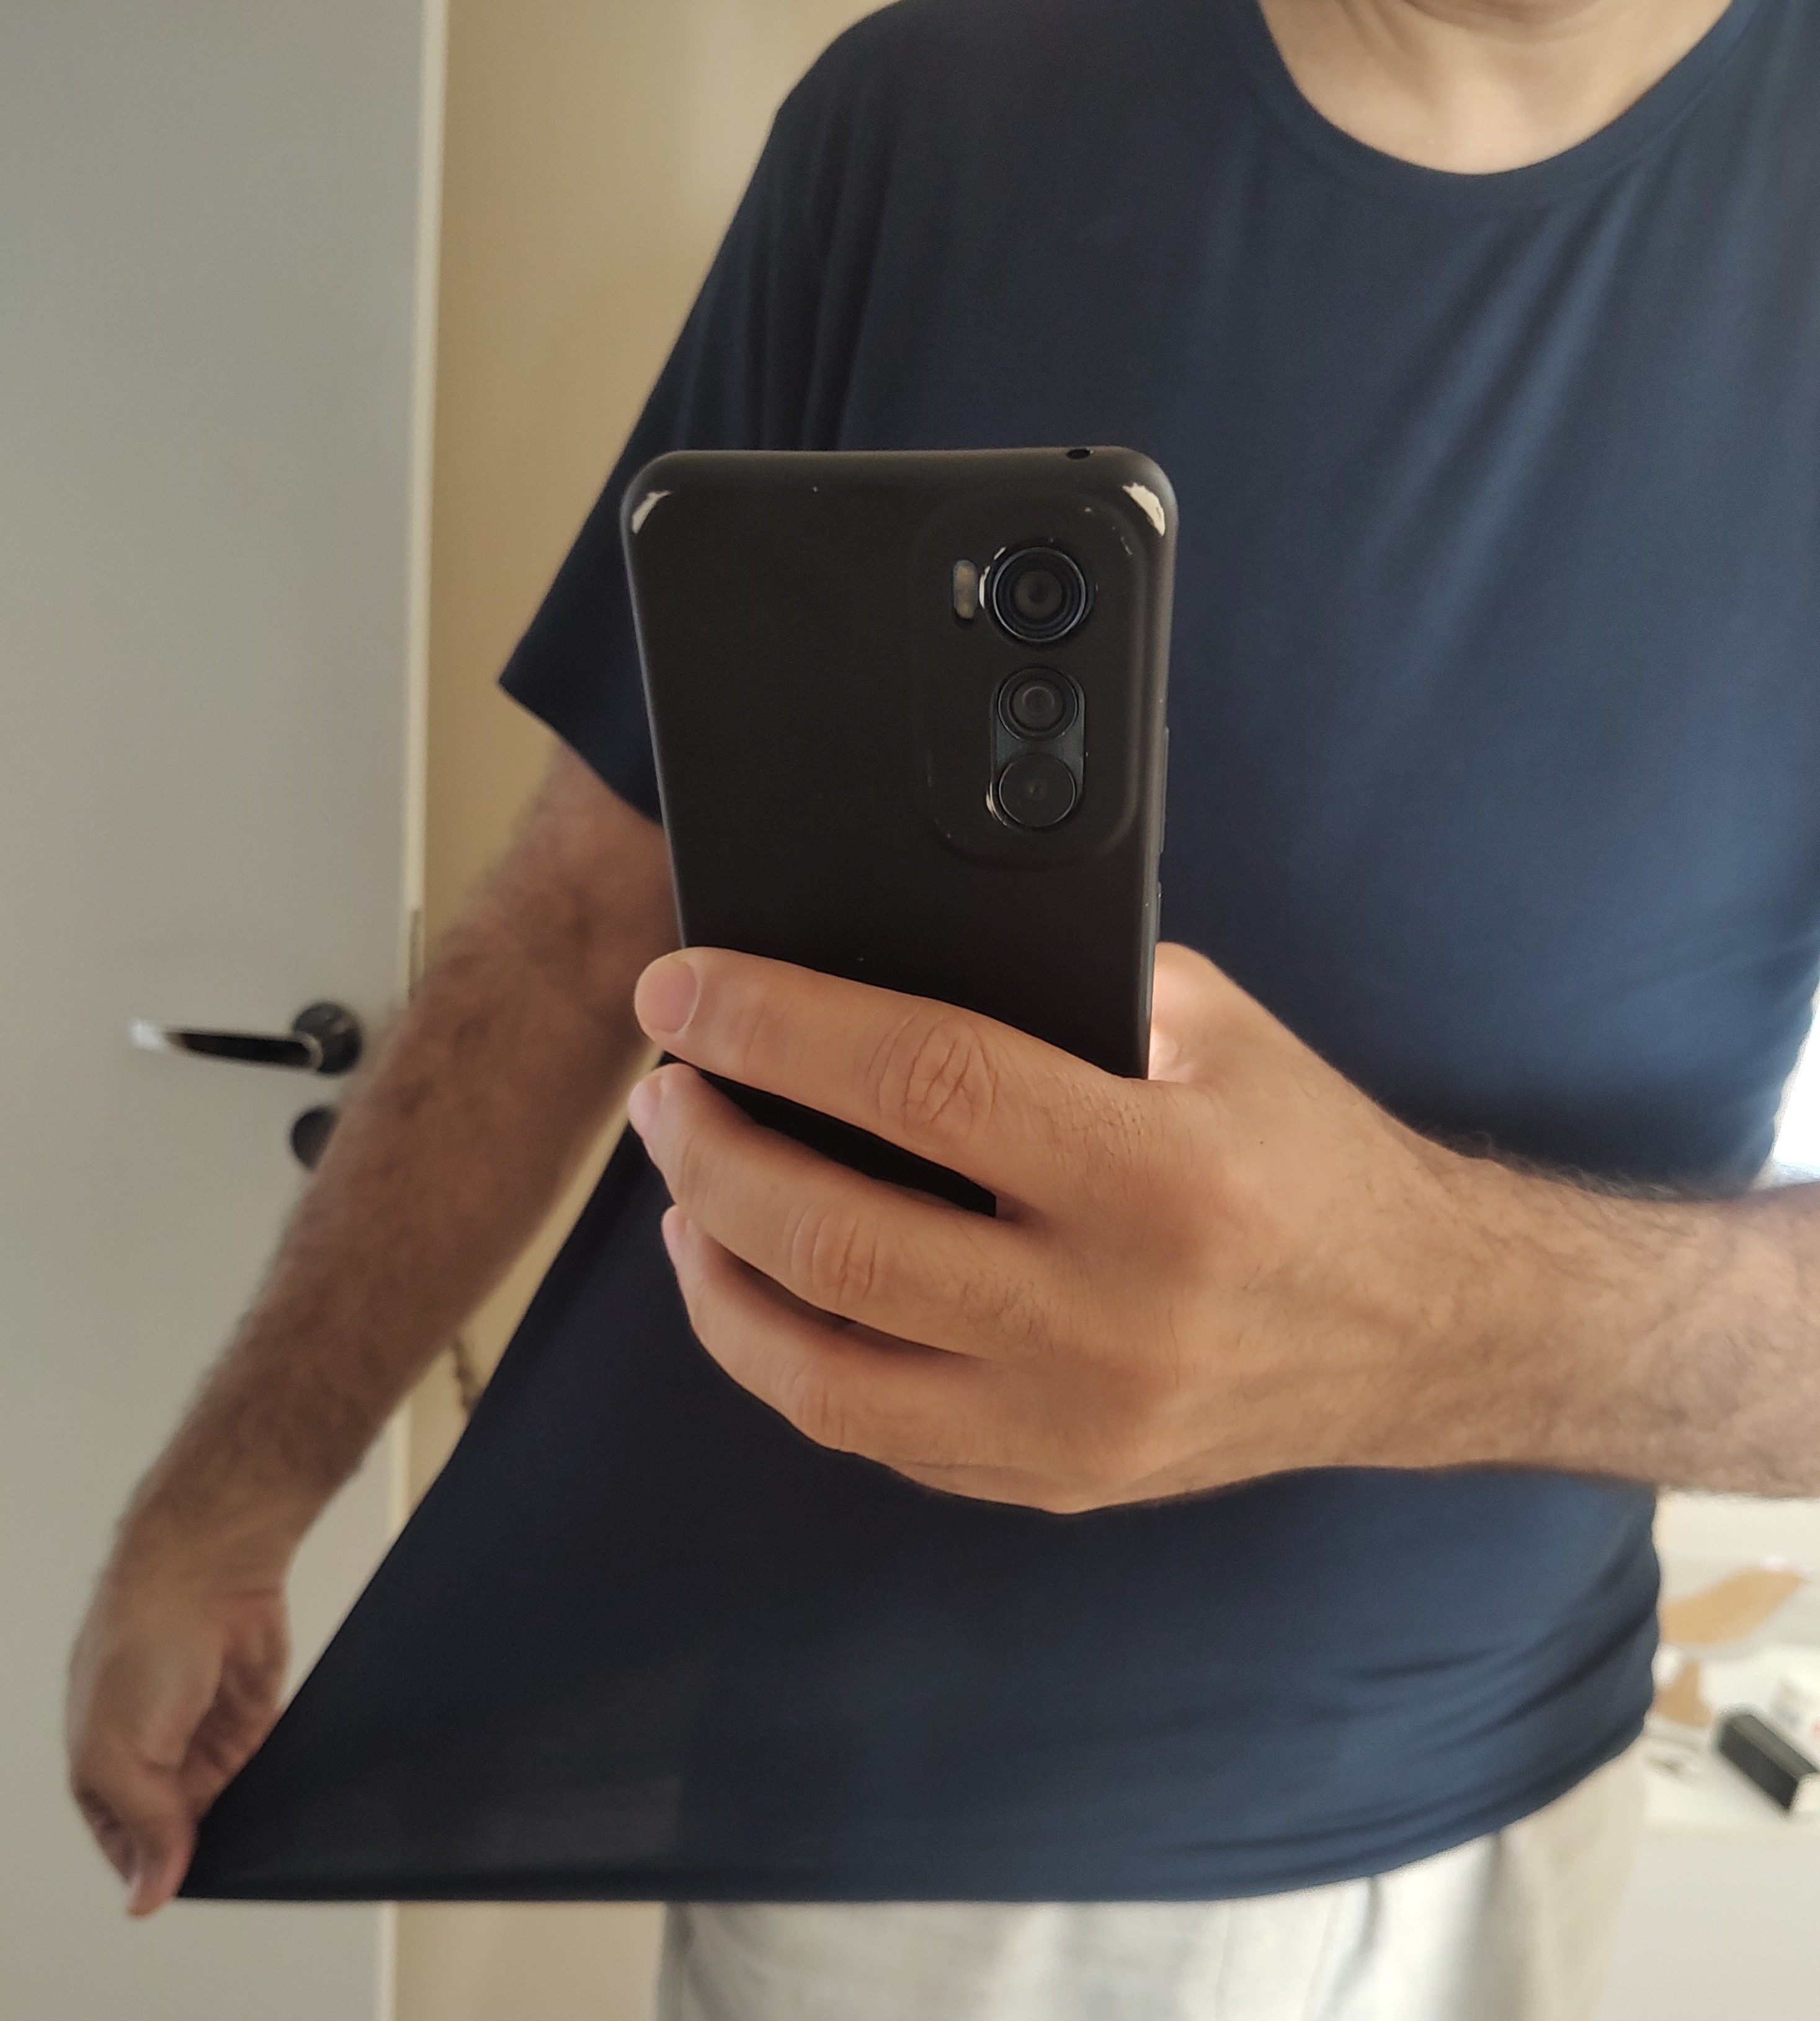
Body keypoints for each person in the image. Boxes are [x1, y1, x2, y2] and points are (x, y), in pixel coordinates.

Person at [66, 0, 1820, 2014]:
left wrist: (1419, 1313)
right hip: (883, 1848)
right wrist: (226, 1492)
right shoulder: (930, 121)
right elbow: (577, 922)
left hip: (1502, 1816)